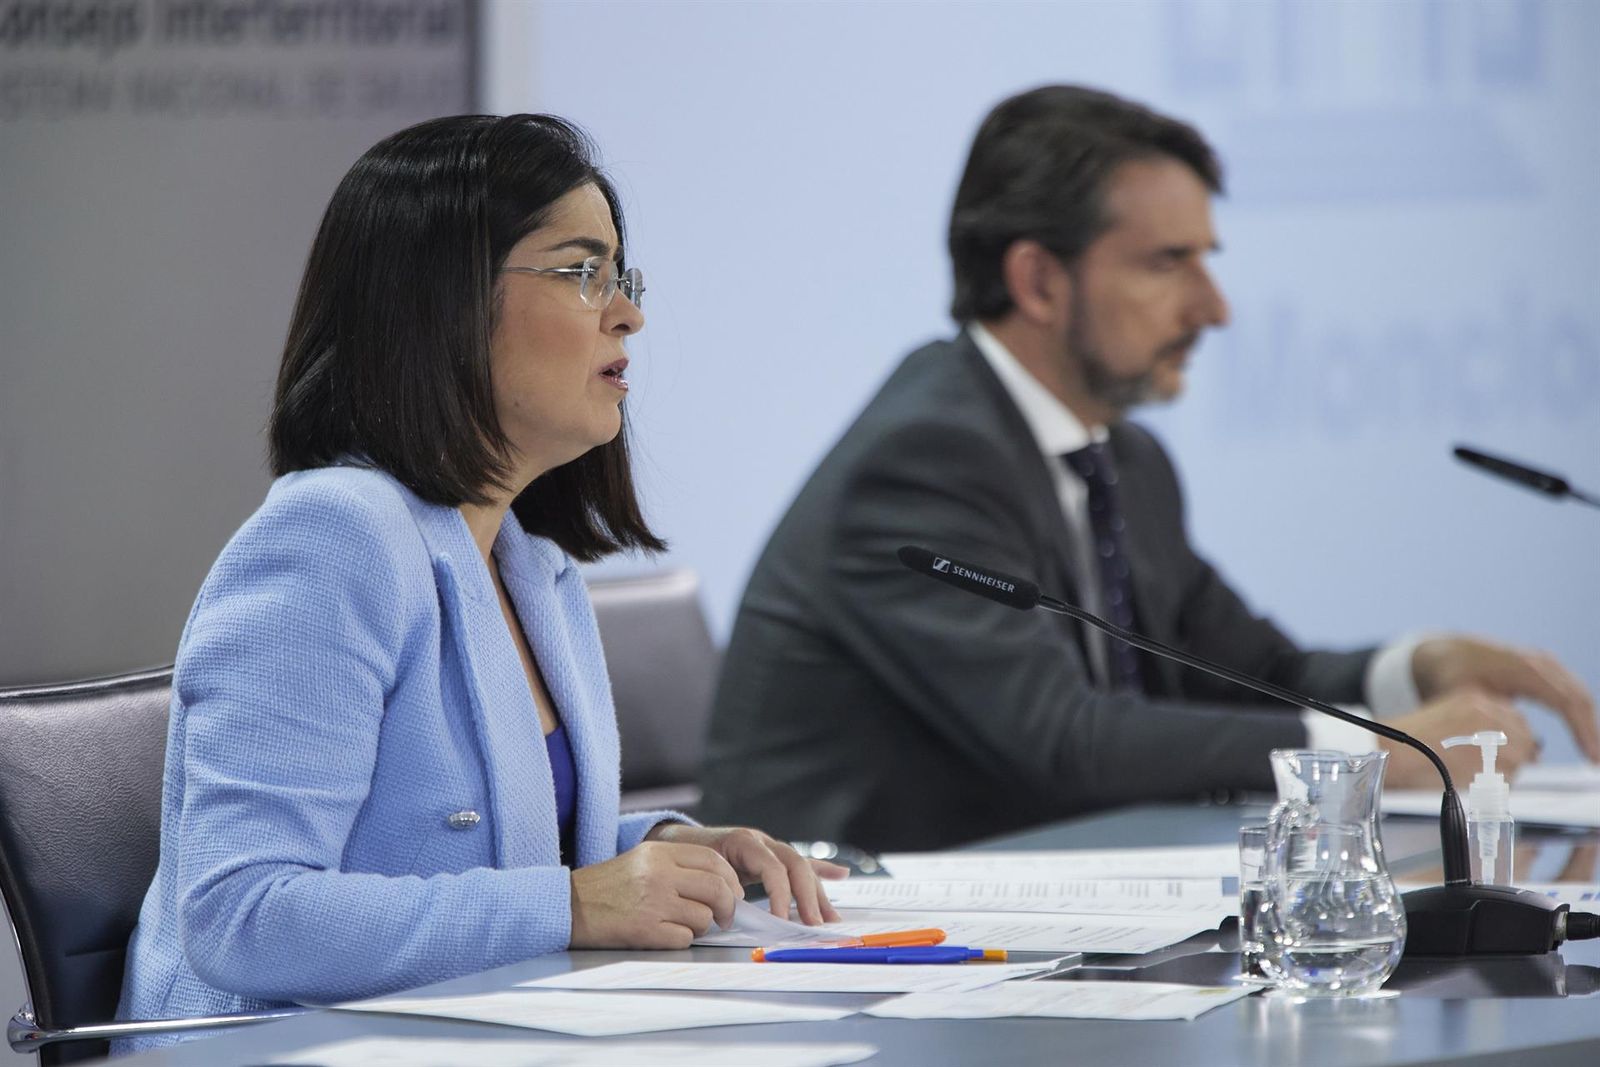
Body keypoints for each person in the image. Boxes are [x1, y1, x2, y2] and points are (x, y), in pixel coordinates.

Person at [698, 85, 1599, 853]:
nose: (1215, 307)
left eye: (1208, 260)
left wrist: (1417, 669)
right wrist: (1368, 752)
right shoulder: (921, 460)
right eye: (1171, 263)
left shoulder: (1121, 456)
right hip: (846, 956)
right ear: (1040, 282)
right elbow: (1067, 739)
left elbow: (1252, 667)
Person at [116, 114, 843, 1049]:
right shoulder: (328, 538)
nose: (628, 313)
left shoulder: (529, 568)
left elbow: (470, 846)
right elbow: (242, 912)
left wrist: (658, 850)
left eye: (622, 277)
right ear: (446, 304)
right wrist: (575, 903)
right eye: (584, 273)